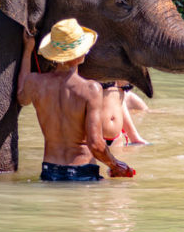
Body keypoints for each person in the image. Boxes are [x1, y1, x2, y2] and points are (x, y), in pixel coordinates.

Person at [18, 18, 136, 181]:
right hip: (82, 172)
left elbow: (21, 98)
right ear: (79, 52)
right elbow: (95, 145)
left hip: (49, 172)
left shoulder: (34, 82)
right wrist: (116, 165)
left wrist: (27, 52)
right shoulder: (90, 89)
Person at [99, 81, 148, 147]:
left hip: (116, 138)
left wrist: (134, 137)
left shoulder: (118, 73)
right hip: (93, 136)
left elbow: (119, 101)